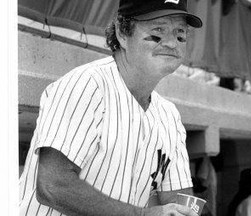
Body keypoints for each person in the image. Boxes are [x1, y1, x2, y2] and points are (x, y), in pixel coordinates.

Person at [19, 0, 203, 215]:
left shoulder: (169, 115)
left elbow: (178, 200)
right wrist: (141, 214)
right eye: (158, 31)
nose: (172, 43)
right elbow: (52, 186)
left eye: (180, 34)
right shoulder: (87, 85)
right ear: (122, 33)